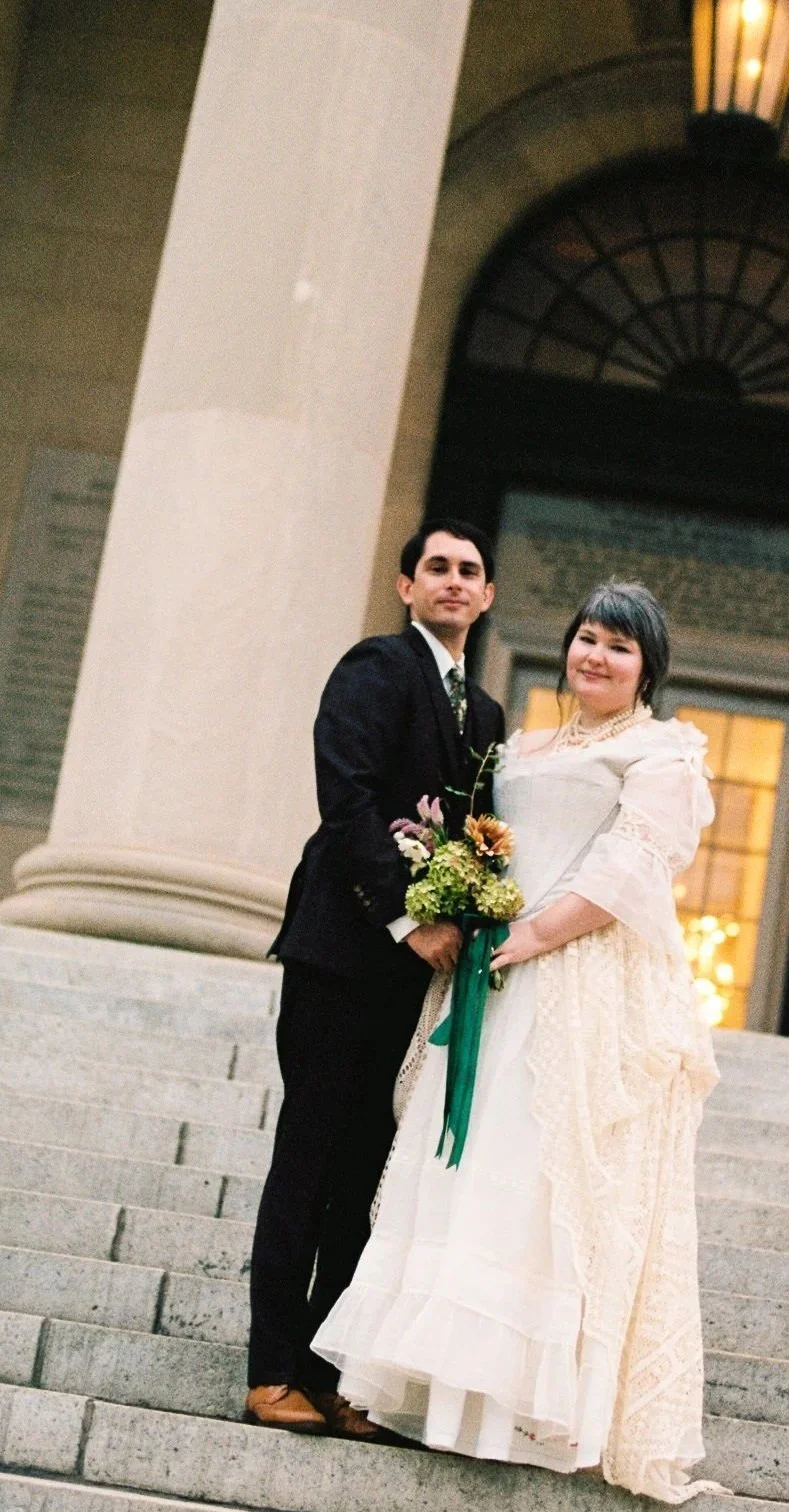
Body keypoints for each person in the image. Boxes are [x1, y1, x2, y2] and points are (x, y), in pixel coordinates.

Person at [312, 582, 723, 1501]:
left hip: (572, 979)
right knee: (461, 1166)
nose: (595, 657)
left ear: (647, 665)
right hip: (488, 973)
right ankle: (428, 1381)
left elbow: (628, 868)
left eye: (619, 646)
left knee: (533, 1169)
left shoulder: (663, 751)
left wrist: (522, 943)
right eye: (586, 638)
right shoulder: (523, 743)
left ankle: (517, 1402)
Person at [245, 520, 506, 1435]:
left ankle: (329, 1371)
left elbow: (481, 833)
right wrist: (405, 915)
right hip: (342, 953)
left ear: (487, 597)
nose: (452, 582)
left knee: (367, 1177)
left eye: (468, 572)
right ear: (406, 586)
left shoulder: (487, 717)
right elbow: (345, 794)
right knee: (308, 1163)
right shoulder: (375, 668)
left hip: (415, 980)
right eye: (436, 567)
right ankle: (271, 1366)